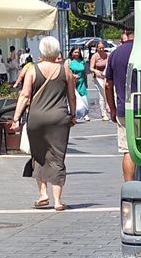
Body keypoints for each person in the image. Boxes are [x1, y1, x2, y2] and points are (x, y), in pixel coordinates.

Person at [10, 35, 75, 211]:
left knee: (38, 155)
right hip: (59, 119)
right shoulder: (66, 71)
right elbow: (71, 96)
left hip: (36, 118)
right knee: (58, 156)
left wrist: (16, 118)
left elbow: (24, 96)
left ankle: (43, 194)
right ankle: (58, 200)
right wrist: (73, 114)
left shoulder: (32, 70)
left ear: (42, 51)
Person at [105, 16, 136, 181]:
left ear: (125, 32)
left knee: (128, 150)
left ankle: (129, 186)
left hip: (124, 108)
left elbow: (108, 85)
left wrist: (112, 108)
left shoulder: (115, 54)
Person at [67, 46, 90, 121]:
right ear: (72, 53)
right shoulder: (69, 61)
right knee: (74, 98)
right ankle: (75, 114)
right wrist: (73, 76)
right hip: (73, 82)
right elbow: (67, 72)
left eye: (78, 52)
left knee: (84, 98)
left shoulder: (82, 61)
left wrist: (86, 82)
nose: (77, 54)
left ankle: (86, 114)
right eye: (75, 52)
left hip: (81, 82)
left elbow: (85, 73)